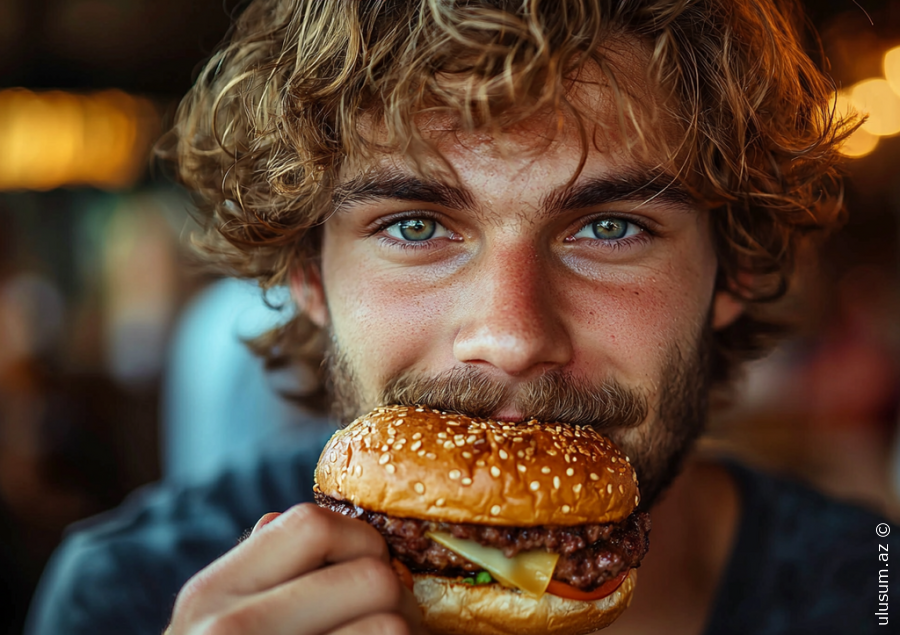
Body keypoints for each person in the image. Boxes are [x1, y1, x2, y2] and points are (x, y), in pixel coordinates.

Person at [24, 1, 898, 634]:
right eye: (415, 226)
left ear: (735, 263)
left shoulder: (872, 588)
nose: (512, 337)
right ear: (307, 271)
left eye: (610, 226)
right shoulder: (123, 597)